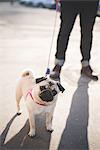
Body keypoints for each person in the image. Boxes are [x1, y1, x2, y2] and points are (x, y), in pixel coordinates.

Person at [50, 0, 99, 81]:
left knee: (87, 33)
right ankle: (58, 64)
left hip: (90, 2)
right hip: (69, 2)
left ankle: (85, 65)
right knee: (64, 31)